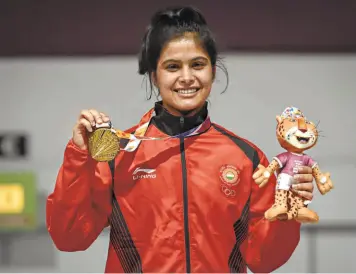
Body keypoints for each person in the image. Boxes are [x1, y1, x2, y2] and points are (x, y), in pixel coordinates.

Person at [46, 6, 315, 273]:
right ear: (154, 76)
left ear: (212, 71)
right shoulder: (120, 155)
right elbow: (69, 237)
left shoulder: (246, 158)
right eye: (172, 67)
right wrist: (79, 156)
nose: (186, 78)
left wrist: (288, 210)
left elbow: (263, 260)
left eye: (197, 64)